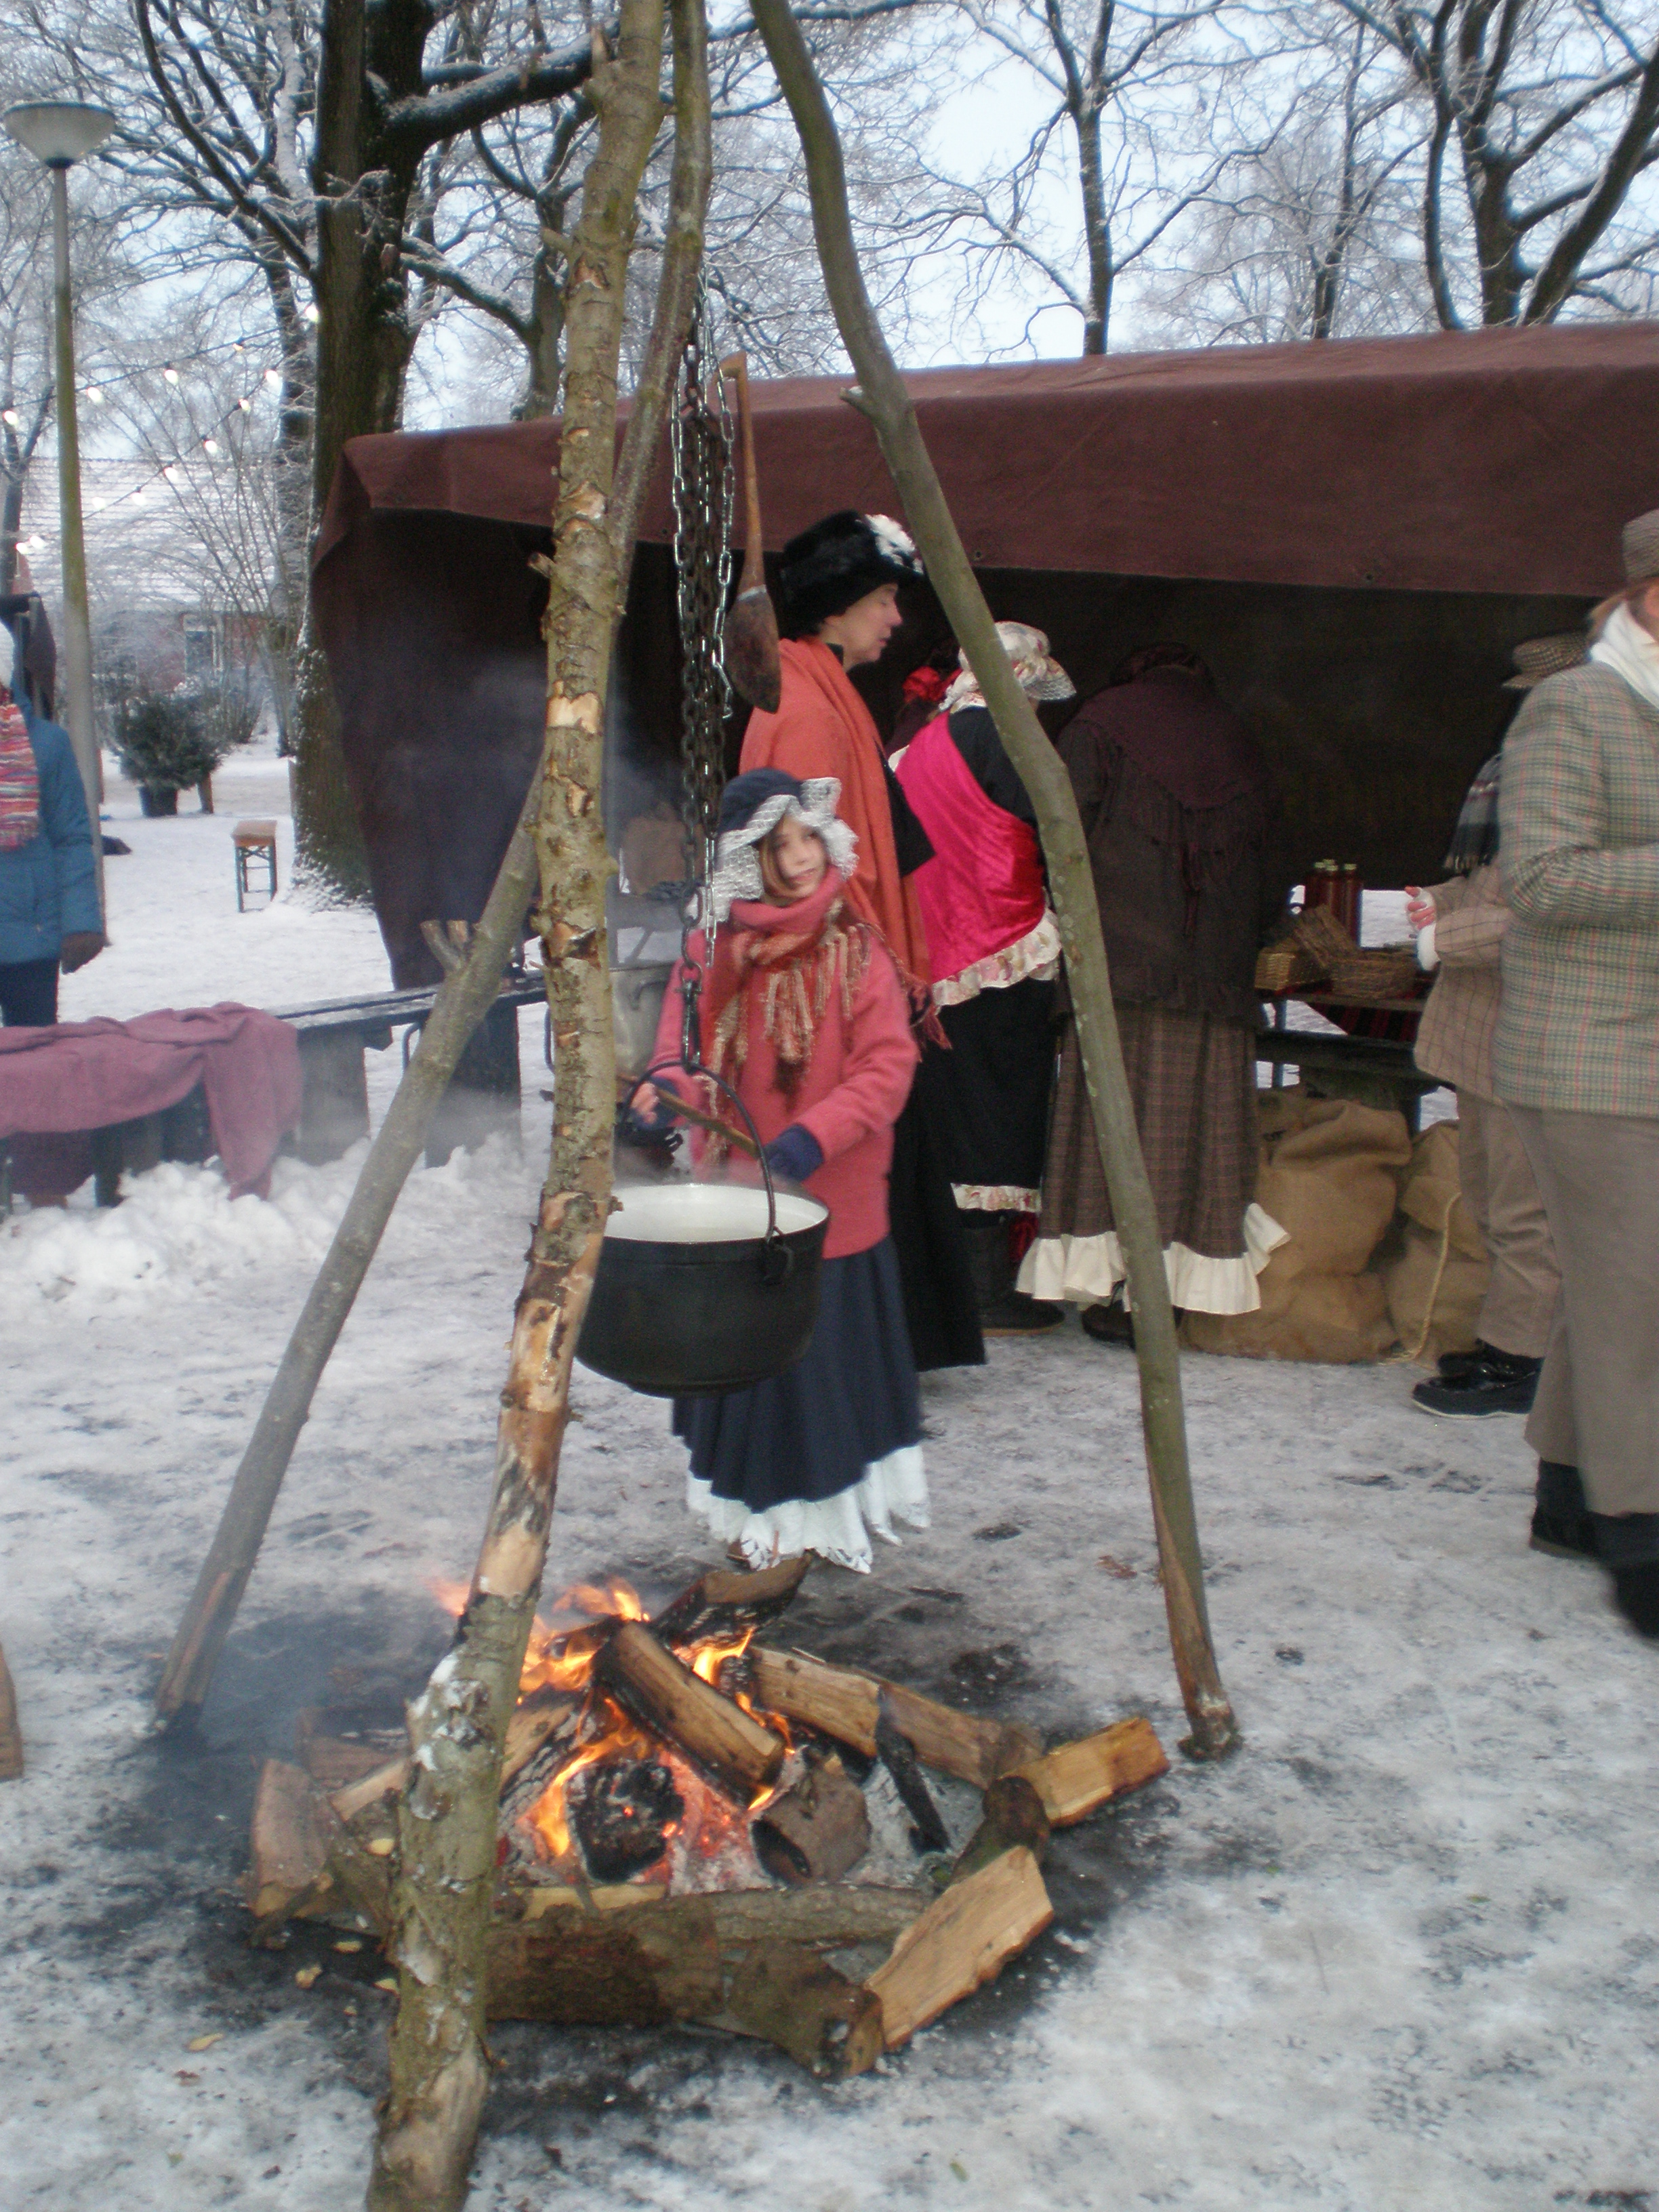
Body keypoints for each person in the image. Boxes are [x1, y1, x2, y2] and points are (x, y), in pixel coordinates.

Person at [642, 769, 927, 1573]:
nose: (801, 859)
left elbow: (887, 1065)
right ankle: (753, 1511)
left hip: (831, 1204)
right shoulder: (711, 947)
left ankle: (828, 1516)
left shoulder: (854, 947)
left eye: (808, 838)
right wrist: (667, 1090)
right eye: (779, 846)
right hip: (735, 1206)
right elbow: (679, 1047)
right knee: (748, 1372)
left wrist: (813, 1136)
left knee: (821, 1376)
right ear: (748, 858)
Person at [741, 510, 983, 1372]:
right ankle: (861, 1343)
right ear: (836, 608)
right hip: (833, 981)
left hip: (854, 969)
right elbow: (795, 867)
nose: (895, 618)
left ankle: (889, 1339)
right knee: (857, 1152)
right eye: (883, 599)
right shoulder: (807, 710)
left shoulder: (826, 692)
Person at [1018, 643, 1289, 1335]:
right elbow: (1273, 867)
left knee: (1115, 1123)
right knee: (1192, 1130)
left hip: (1120, 970)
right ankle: (1165, 1297)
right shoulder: (1239, 737)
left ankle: (1109, 1285)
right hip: (1214, 979)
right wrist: (1250, 939)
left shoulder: (1100, 725)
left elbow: (1058, 832)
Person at [1494, 510, 1659, 1636]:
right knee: (1641, 1301)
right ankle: (1641, 1536)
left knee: (1612, 1287)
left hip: (1645, 1044)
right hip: (1587, 1053)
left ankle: (1563, 1495)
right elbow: (1541, 879)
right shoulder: (1574, 704)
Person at [1402, 637, 1578, 1426]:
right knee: (1491, 1194)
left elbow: (1548, 908)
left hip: (1535, 1028)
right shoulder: (1527, 779)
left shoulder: (1582, 789)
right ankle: (1514, 1345)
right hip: (1491, 1028)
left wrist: (1447, 940)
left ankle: (1523, 1364)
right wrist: (1439, 900)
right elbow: (1492, 882)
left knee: (1522, 1210)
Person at [896, 621, 1074, 1331]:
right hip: (1002, 947)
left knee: (948, 1110)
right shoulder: (1009, 740)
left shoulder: (921, 743)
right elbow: (1056, 832)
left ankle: (953, 1280)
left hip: (933, 954)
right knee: (1002, 1112)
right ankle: (986, 1289)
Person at [0, 629, 102, 1025]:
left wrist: (81, 924)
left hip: (32, 942)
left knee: (36, 1072)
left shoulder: (47, 744)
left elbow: (71, 838)